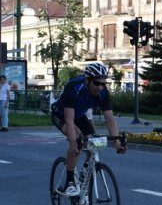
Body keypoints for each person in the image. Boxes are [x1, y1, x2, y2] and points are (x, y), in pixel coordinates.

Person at [50, 62, 126, 197]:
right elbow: (69, 119)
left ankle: (83, 182)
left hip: (79, 115)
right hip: (61, 115)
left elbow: (110, 119)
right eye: (96, 83)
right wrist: (73, 143)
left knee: (92, 146)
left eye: (103, 84)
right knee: (77, 140)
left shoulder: (103, 92)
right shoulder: (74, 87)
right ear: (87, 80)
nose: (100, 87)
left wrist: (117, 143)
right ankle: (69, 182)